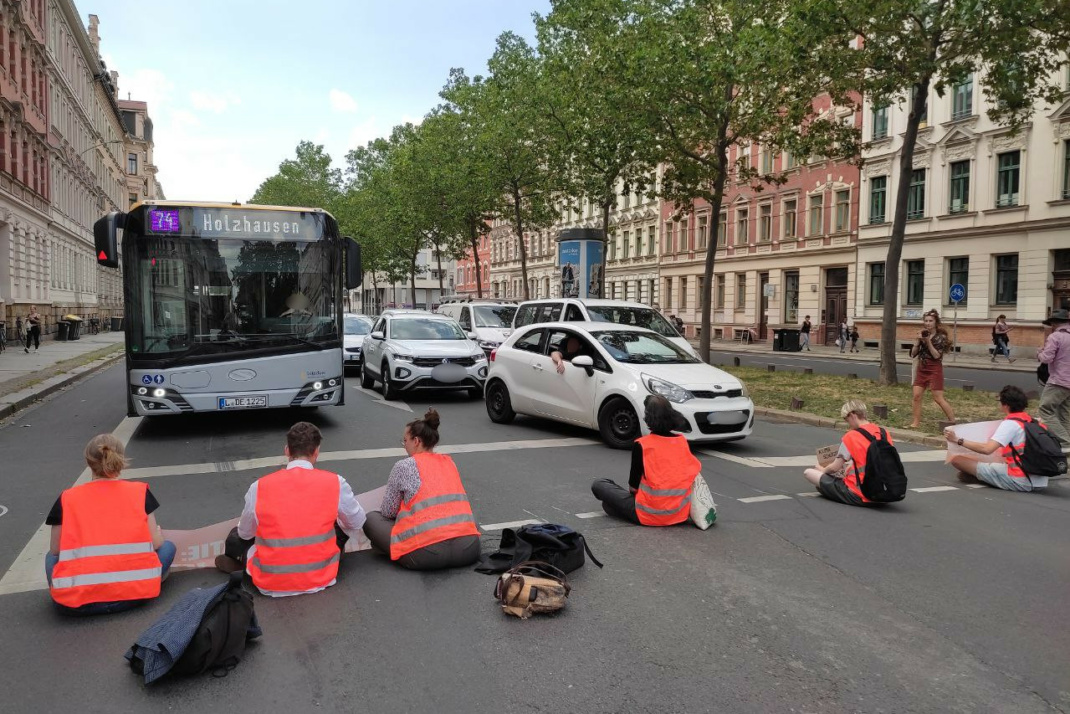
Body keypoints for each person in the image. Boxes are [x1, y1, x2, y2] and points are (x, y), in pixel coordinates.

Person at [215, 422, 367, 596]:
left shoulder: (259, 486)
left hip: (270, 582)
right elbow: (357, 522)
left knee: (234, 537)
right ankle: (324, 557)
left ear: (287, 450)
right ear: (316, 451)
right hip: (321, 577)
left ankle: (244, 562)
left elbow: (245, 534)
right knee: (339, 526)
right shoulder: (336, 482)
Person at [46, 434, 175, 615]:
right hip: (134, 596)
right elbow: (156, 543)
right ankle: (152, 580)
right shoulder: (139, 492)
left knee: (50, 559)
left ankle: (64, 590)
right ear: (120, 458)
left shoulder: (67, 498)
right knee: (168, 546)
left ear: (88, 462)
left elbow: (56, 549)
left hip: (76, 605)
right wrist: (158, 534)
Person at [363, 409, 481, 570]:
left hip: (427, 554)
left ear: (416, 441)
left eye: (405, 441)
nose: (404, 445)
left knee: (371, 519)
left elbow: (388, 512)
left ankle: (398, 549)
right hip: (469, 550)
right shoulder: (449, 462)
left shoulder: (404, 465)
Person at [591, 395, 700, 525]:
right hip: (678, 514)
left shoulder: (642, 445)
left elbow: (633, 488)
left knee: (599, 484)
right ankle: (619, 509)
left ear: (648, 419)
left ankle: (621, 510)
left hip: (648, 513)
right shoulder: (682, 442)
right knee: (609, 506)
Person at [944, 386, 1050, 492]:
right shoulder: (1035, 422)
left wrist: (958, 440)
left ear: (1006, 405)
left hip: (1020, 479)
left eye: (999, 401)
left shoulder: (1010, 424)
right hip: (1041, 480)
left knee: (957, 460)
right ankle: (987, 477)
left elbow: (986, 449)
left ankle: (987, 479)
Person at [803, 400, 893, 507]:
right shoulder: (883, 432)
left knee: (809, 472)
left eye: (846, 419)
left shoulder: (851, 436)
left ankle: (829, 488)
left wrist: (822, 470)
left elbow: (834, 468)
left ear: (852, 415)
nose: (848, 424)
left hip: (861, 493)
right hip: (885, 491)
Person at [908, 309, 955, 429]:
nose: (928, 323)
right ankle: (916, 422)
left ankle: (952, 421)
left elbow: (936, 355)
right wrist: (917, 341)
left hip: (934, 369)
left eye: (930, 321)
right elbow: (913, 354)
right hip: (922, 368)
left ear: (936, 323)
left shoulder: (941, 337)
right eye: (926, 321)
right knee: (916, 396)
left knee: (938, 398)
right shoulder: (922, 334)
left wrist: (928, 341)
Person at [1036, 309, 1070, 452]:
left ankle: (1066, 441)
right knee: (1065, 412)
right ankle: (1066, 444)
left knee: (1045, 409)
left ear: (1054, 323)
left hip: (1058, 380)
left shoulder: (1055, 337)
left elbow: (1046, 358)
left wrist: (1039, 353)